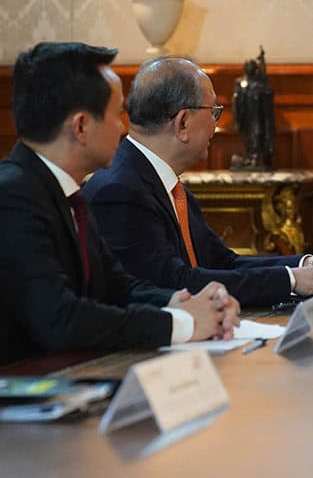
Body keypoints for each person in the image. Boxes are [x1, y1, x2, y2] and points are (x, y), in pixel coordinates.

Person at [0, 42, 240, 366]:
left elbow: (119, 287)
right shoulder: (14, 196)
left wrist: (183, 302)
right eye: (116, 115)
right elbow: (61, 319)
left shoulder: (67, 192)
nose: (123, 128)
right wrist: (183, 323)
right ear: (81, 126)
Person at [83, 56, 313, 307]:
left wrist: (309, 264)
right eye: (213, 112)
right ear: (183, 123)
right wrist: (293, 280)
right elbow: (175, 283)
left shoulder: (165, 183)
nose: (216, 124)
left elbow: (223, 263)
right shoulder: (120, 191)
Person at [231, 46, 275, 169]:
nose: (250, 68)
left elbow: (264, 78)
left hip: (257, 116)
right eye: (248, 66)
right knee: (248, 137)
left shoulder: (258, 82)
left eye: (252, 66)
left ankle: (256, 157)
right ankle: (250, 157)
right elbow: (236, 100)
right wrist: (237, 118)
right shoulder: (240, 82)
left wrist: (262, 59)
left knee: (257, 135)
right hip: (245, 115)